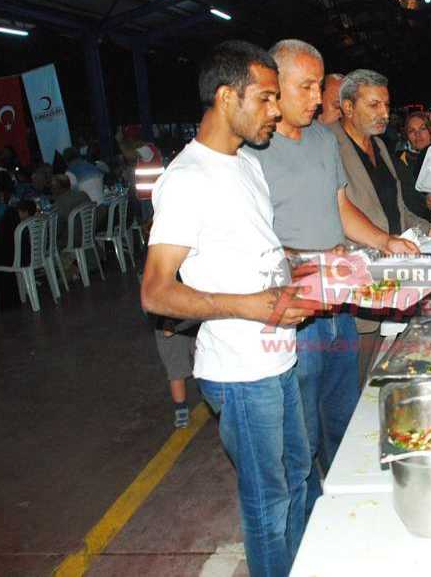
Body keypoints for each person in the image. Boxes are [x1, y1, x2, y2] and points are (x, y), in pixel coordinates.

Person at [140, 40, 321, 577]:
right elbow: (155, 292)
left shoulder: (246, 165)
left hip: (278, 356)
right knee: (269, 502)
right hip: (241, 373)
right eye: (266, 98)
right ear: (226, 97)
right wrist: (250, 306)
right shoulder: (186, 180)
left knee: (299, 478)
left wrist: (318, 261)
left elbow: (258, 250)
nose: (275, 110)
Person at [248, 39, 418, 521]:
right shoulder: (254, 151)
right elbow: (251, 239)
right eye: (305, 87)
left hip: (337, 305)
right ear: (274, 86)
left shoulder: (324, 140)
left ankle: (348, 513)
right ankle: (307, 520)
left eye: (319, 87)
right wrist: (311, 258)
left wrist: (387, 242)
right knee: (300, 428)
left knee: (343, 410)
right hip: (294, 311)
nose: (317, 99)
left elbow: (342, 209)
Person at [327, 69, 431, 377]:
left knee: (385, 365)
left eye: (386, 105)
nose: (384, 114)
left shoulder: (380, 146)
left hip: (391, 272)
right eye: (374, 105)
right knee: (356, 372)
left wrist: (428, 228)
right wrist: (382, 242)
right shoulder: (328, 146)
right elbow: (334, 213)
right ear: (348, 107)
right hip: (359, 276)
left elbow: (397, 210)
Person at [154, 315, 199, 428]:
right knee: (176, 369)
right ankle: (181, 407)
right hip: (168, 317)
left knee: (205, 362)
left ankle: (217, 399)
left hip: (194, 313)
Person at [393, 111, 431, 220]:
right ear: (406, 136)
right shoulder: (399, 160)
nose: (417, 135)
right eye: (412, 131)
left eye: (422, 129)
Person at [50, 174, 91, 246]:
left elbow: (56, 231)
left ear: (60, 188)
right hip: (89, 234)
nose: (51, 190)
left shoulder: (60, 203)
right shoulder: (83, 195)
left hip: (71, 241)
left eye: (53, 187)